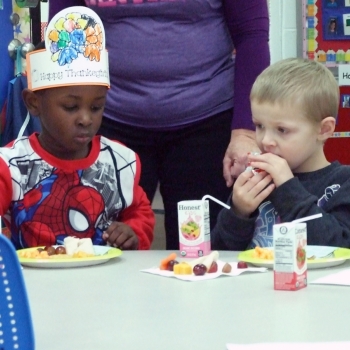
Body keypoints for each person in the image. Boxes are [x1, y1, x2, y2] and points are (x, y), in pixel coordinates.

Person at [50, 0, 270, 250]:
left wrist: (245, 132)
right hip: (106, 120)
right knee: (98, 247)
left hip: (206, 121)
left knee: (202, 253)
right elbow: (63, 30)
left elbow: (251, 34)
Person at [0, 6, 154, 250]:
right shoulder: (11, 165)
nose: (85, 119)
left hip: (105, 284)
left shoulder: (118, 162)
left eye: (96, 107)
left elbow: (140, 214)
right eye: (71, 107)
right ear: (33, 103)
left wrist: (133, 232)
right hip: (36, 286)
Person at [211, 57, 350, 250]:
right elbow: (220, 256)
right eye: (259, 125)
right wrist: (238, 212)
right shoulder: (256, 179)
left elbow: (340, 248)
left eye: (282, 130)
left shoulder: (343, 182)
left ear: (323, 129)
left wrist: (287, 188)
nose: (266, 140)